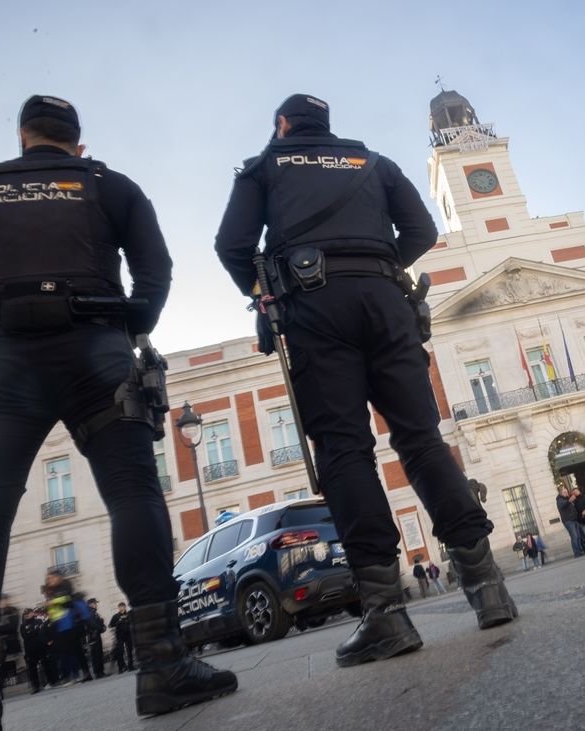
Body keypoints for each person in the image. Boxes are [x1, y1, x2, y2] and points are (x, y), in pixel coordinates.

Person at [0, 94, 236, 725]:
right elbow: (156, 270)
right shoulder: (109, 184)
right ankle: (162, 667)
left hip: (0, 363)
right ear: (78, 144)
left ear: (22, 137)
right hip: (95, 350)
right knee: (132, 494)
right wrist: (128, 324)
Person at [214, 93, 516, 668]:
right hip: (387, 302)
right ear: (328, 126)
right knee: (422, 441)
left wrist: (268, 290)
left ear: (282, 126)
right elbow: (423, 231)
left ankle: (386, 614)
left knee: (345, 450)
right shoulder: (373, 163)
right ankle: (488, 588)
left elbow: (231, 246)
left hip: (314, 309)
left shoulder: (263, 167)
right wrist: (376, 263)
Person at [20, 608, 49, 693]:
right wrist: (34, 630)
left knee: (46, 665)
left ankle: (49, 682)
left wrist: (32, 631)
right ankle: (36, 686)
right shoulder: (23, 625)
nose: (27, 615)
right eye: (25, 614)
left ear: (33, 613)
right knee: (32, 668)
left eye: (28, 613)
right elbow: (25, 636)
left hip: (41, 647)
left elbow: (41, 632)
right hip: (30, 649)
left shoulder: (39, 621)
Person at [0, 595, 22, 688]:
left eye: (3, 600)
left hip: (10, 641)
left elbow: (12, 627)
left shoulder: (12, 610)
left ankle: (13, 680)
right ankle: (3, 683)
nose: (2, 603)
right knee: (0, 664)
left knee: (12, 662)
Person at [556, 485, 585, 557]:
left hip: (574, 520)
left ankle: (580, 550)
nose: (566, 493)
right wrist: (569, 501)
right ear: (561, 493)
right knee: (574, 536)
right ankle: (576, 553)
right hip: (568, 521)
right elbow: (562, 505)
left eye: (566, 491)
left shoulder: (567, 498)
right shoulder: (560, 499)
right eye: (565, 492)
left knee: (578, 536)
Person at [84, 599, 109, 679]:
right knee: (96, 654)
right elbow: (93, 625)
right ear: (90, 604)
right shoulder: (90, 613)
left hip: (95, 635)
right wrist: (101, 627)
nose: (96, 605)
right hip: (93, 636)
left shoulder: (93, 612)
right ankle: (99, 673)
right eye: (94, 603)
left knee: (98, 654)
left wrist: (102, 626)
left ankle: (100, 672)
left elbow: (97, 624)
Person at [108, 602, 134, 673]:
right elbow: (110, 625)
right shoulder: (116, 616)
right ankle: (121, 667)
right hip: (119, 636)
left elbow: (133, 622)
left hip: (128, 635)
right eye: (120, 607)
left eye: (122, 606)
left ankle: (130, 666)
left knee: (129, 651)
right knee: (120, 652)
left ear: (125, 607)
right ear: (118, 608)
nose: (121, 608)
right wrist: (117, 622)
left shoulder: (129, 615)